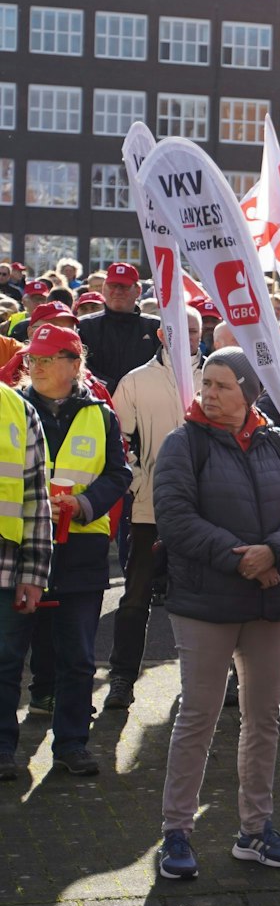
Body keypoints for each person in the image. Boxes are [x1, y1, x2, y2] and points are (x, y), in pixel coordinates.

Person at [150, 349, 280, 879]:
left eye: (222, 384)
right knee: (198, 716)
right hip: (206, 603)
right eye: (207, 383)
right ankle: (176, 833)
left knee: (264, 718)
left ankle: (255, 829)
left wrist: (274, 552)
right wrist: (246, 560)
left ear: (249, 391)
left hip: (269, 602)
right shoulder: (184, 443)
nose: (210, 393)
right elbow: (175, 519)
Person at [9, 325, 132, 776]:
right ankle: (4, 751)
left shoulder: (100, 413)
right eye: (32, 359)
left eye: (46, 358)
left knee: (78, 657)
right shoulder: (12, 409)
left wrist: (84, 503)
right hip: (21, 546)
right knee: (9, 655)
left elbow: (119, 474)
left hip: (80, 547)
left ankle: (72, 745)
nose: (35, 366)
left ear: (73, 363)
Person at [106, 306, 200, 710]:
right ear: (162, 335)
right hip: (149, 509)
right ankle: (122, 678)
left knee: (205, 599)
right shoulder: (136, 381)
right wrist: (139, 479)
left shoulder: (218, 377)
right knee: (135, 597)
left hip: (206, 512)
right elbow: (116, 441)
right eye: (180, 331)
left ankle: (205, 680)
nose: (190, 338)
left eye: (195, 331)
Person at [0, 371, 54, 783]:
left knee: (5, 665)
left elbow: (37, 500)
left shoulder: (17, 409)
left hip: (6, 568)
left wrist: (34, 574)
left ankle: (2, 750)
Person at [75, 262, 162, 394]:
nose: (117, 291)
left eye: (124, 287)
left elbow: (165, 366)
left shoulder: (155, 328)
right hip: (97, 399)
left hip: (144, 401)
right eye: (112, 286)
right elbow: (79, 365)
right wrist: (107, 385)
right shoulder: (85, 327)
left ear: (138, 290)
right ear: (104, 289)